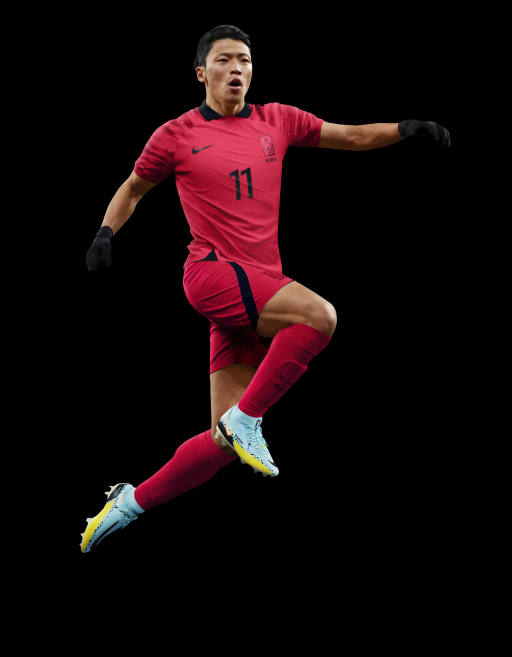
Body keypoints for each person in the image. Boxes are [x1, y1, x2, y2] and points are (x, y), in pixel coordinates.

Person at [80, 24, 450, 553]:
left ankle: (128, 502)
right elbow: (134, 188)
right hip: (212, 273)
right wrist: (105, 233)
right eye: (225, 59)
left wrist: (404, 127)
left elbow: (349, 136)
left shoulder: (277, 119)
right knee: (320, 317)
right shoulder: (176, 133)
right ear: (201, 72)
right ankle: (248, 421)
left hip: (258, 288)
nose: (237, 68)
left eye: (245, 60)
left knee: (221, 443)